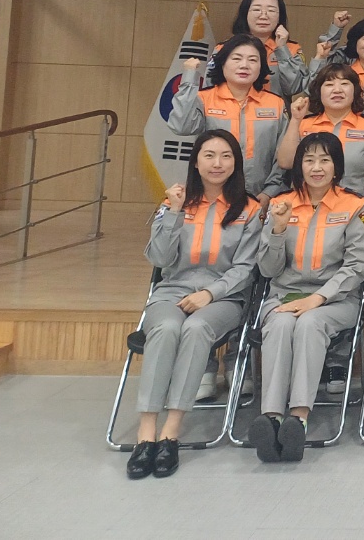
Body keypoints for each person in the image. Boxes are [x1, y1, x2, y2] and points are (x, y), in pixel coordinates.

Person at [128, 130, 261, 480]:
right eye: (209, 155)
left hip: (224, 297)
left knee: (198, 327)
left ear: (236, 163)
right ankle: (146, 432)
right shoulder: (174, 201)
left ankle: (171, 432)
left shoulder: (249, 209)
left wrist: (210, 294)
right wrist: (173, 212)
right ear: (196, 161)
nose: (217, 163)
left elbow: (246, 268)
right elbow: (159, 259)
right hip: (172, 291)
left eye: (226, 156)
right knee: (167, 327)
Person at [249, 132, 364, 463]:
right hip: (284, 296)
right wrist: (277, 230)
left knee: (309, 323)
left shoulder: (355, 206)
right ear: (299, 166)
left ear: (337, 167)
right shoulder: (281, 204)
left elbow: (358, 266)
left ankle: (298, 419)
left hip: (336, 301)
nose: (317, 167)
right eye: (309, 160)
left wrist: (317, 298)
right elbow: (268, 269)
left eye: (325, 160)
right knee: (279, 325)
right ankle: (272, 419)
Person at [170, 35, 287, 200]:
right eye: (236, 58)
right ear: (223, 63)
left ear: (261, 66)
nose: (244, 65)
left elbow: (282, 155)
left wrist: (269, 192)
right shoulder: (204, 99)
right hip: (211, 197)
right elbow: (181, 126)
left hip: (261, 198)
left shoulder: (276, 104)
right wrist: (189, 77)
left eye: (253, 60)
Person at [278, 66, 364, 220]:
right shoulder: (303, 123)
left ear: (355, 91)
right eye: (329, 84)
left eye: (344, 84)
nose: (337, 90)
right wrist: (295, 120)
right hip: (304, 212)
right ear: (319, 91)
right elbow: (286, 163)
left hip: (351, 212)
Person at [230, 0, 306, 98]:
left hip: (276, 109)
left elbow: (293, 88)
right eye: (257, 10)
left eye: (271, 11)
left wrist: (282, 49)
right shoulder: (226, 49)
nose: (263, 16)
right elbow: (211, 88)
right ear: (245, 13)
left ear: (280, 16)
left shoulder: (292, 49)